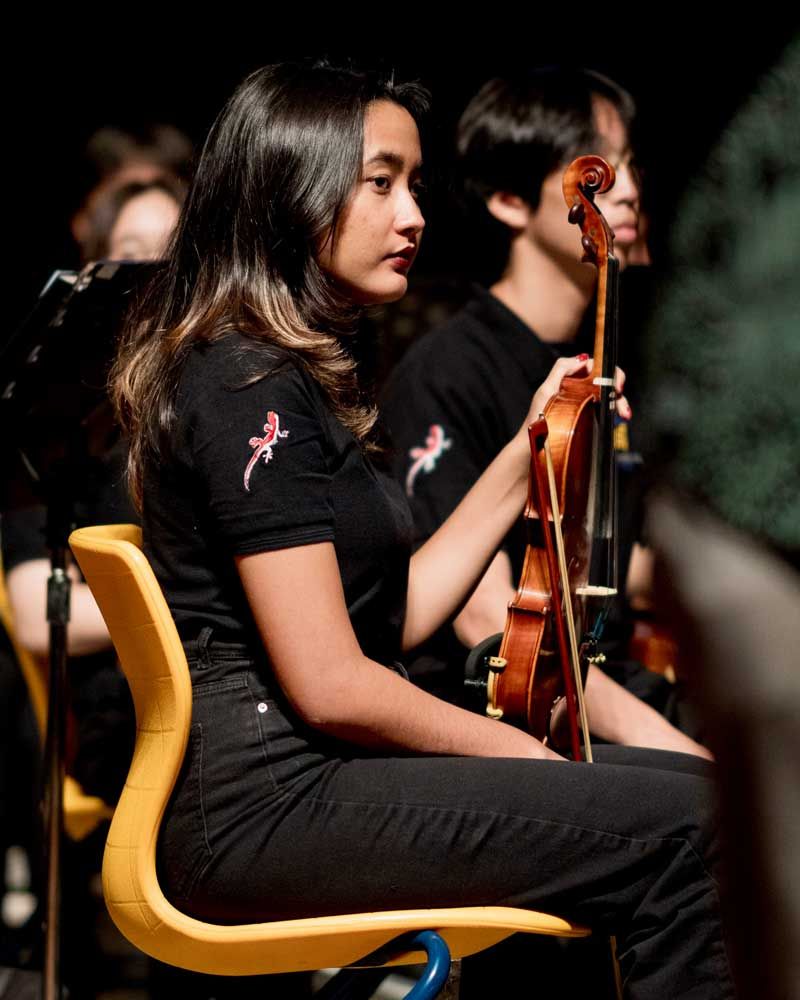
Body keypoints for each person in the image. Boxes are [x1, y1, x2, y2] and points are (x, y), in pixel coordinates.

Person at [112, 62, 734, 999]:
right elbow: (330, 684)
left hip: (306, 783)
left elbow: (390, 621)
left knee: (700, 804)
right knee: (700, 826)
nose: (414, 214)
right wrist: (516, 751)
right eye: (382, 182)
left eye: (414, 184)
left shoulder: (277, 371)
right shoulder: (244, 384)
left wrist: (532, 448)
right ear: (295, 184)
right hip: (265, 807)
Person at [381, 69, 706, 755]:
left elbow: (623, 567)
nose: (628, 189)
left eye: (626, 164)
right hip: (511, 709)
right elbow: (484, 621)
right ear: (508, 198)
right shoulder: (448, 371)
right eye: (594, 167)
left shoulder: (614, 353)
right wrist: (675, 748)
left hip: (611, 682)